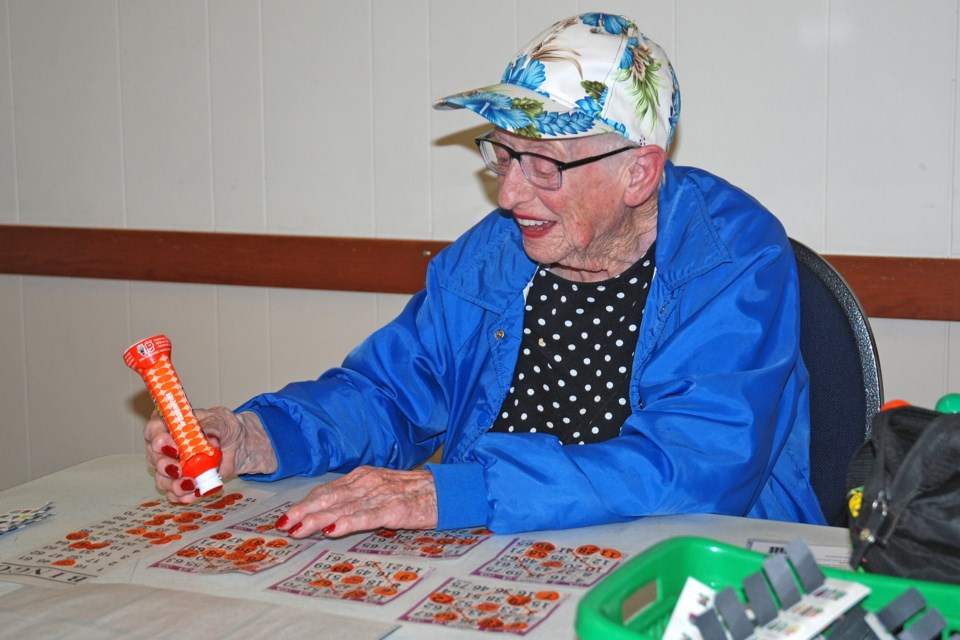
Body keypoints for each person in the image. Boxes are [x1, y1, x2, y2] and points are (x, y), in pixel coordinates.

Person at [144, 12, 826, 538]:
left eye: (543, 165)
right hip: (502, 553)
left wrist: (453, 492)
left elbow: (694, 468)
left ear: (638, 172)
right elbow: (387, 392)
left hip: (687, 564)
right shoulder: (498, 252)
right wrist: (258, 435)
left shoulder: (733, 257)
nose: (509, 196)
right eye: (501, 156)